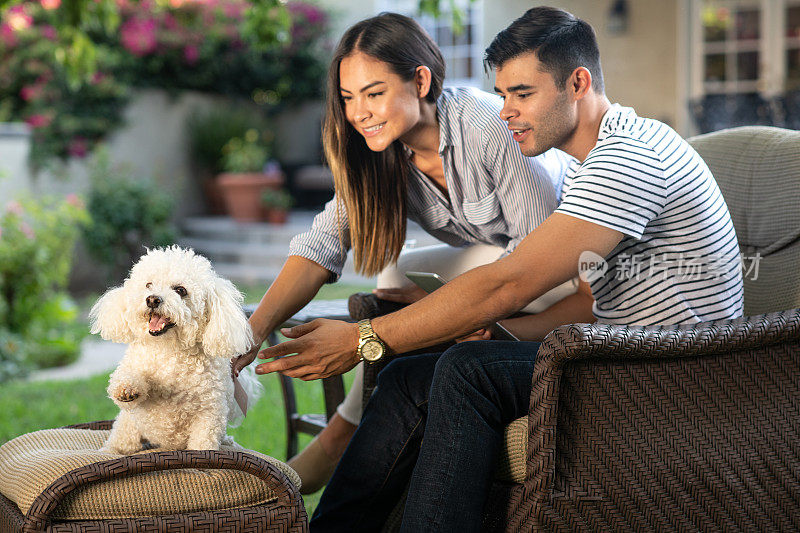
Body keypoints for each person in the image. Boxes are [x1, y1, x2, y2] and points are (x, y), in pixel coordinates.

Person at [256, 6, 745, 531]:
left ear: (577, 83)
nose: (506, 110)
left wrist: (362, 339)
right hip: (613, 345)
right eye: (504, 93)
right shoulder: (589, 167)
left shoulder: (628, 158)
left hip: (679, 367)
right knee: (406, 378)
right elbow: (586, 301)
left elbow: (513, 280)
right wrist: (495, 331)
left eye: (523, 94)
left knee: (468, 373)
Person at [231, 12, 582, 493]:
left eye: (373, 93)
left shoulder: (485, 124)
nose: (359, 113)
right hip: (494, 263)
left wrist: (447, 304)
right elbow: (321, 245)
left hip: (562, 266)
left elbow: (534, 253)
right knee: (405, 278)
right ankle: (348, 433)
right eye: (349, 98)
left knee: (428, 287)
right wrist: (252, 332)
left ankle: (340, 434)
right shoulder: (383, 155)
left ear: (419, 81)